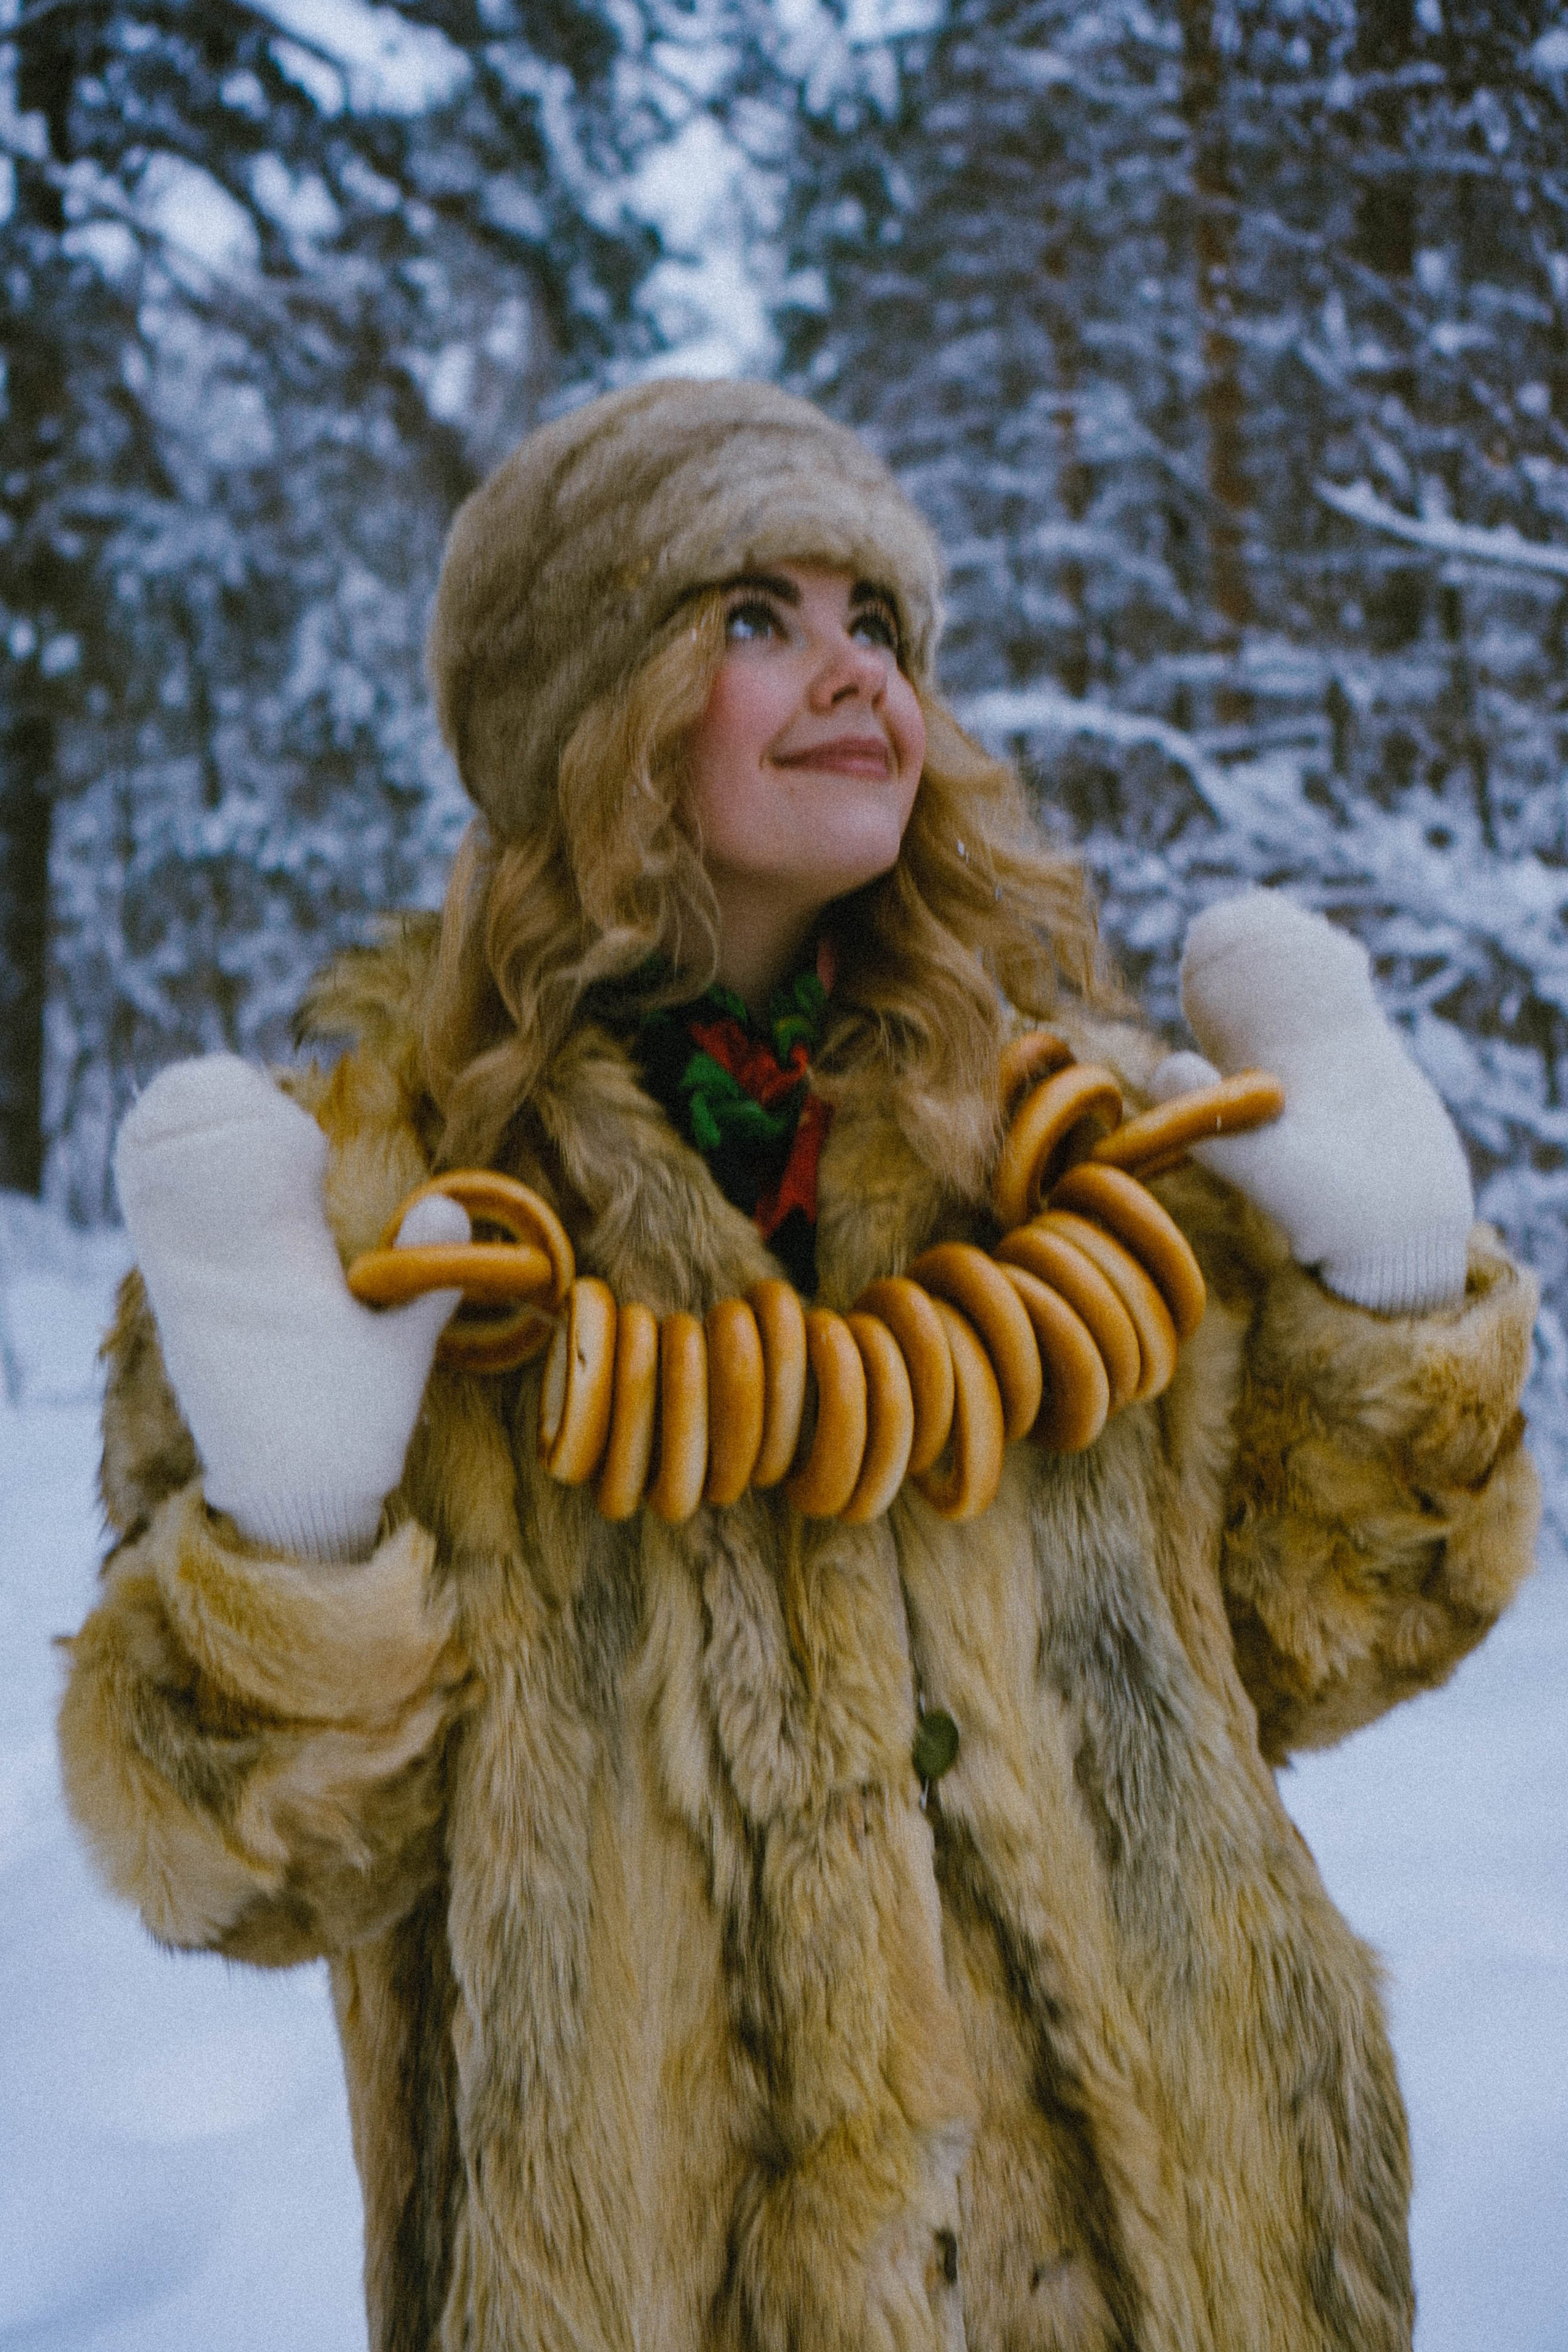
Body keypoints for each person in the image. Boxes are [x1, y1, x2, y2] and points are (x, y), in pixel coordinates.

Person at [58, 378, 1539, 2352]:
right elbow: (237, 1875)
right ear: (589, 707)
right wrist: (300, 1543)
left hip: (1194, 2271)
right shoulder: (357, 1238)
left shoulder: (1078, 1159)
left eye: (882, 625)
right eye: (757, 616)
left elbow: (1332, 1632)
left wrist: (1394, 1300)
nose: (857, 676)